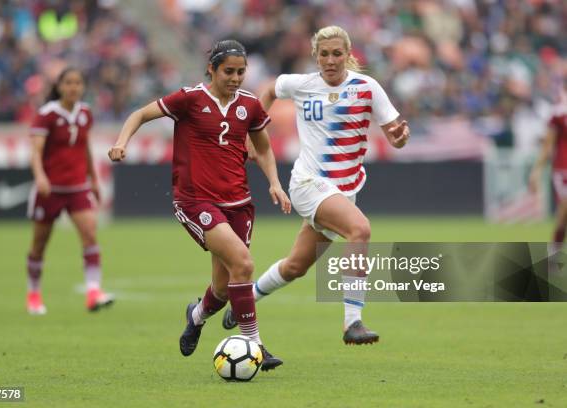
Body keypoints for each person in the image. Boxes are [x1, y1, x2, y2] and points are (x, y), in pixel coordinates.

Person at [108, 40, 291, 370]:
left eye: (240, 72)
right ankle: (256, 346)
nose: (235, 78)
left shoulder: (249, 105)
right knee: (244, 264)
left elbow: (262, 149)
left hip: (240, 203)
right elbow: (140, 114)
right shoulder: (190, 99)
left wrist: (275, 183)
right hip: (195, 201)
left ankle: (196, 316)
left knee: (223, 286)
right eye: (228, 72)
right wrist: (121, 142)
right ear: (212, 69)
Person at [222, 25, 410, 344]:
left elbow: (396, 132)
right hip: (308, 183)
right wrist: (253, 134)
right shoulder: (301, 85)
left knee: (296, 266)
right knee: (360, 230)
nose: (331, 60)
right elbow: (267, 90)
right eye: (324, 54)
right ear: (315, 56)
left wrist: (399, 139)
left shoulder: (367, 87)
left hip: (343, 192)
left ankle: (245, 300)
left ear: (348, 56)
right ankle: (353, 323)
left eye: (337, 53)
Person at [27, 67, 114, 315]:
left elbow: (85, 148)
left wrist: (94, 180)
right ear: (60, 86)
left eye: (78, 83)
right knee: (39, 245)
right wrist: (40, 177)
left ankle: (93, 292)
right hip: (50, 189)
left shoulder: (85, 113)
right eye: (69, 83)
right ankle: (34, 294)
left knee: (89, 234)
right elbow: (35, 151)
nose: (73, 87)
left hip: (77, 187)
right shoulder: (47, 115)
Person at [529, 87, 567, 252]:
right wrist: (536, 171)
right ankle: (554, 255)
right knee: (565, 210)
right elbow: (548, 144)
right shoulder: (559, 111)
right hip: (563, 169)